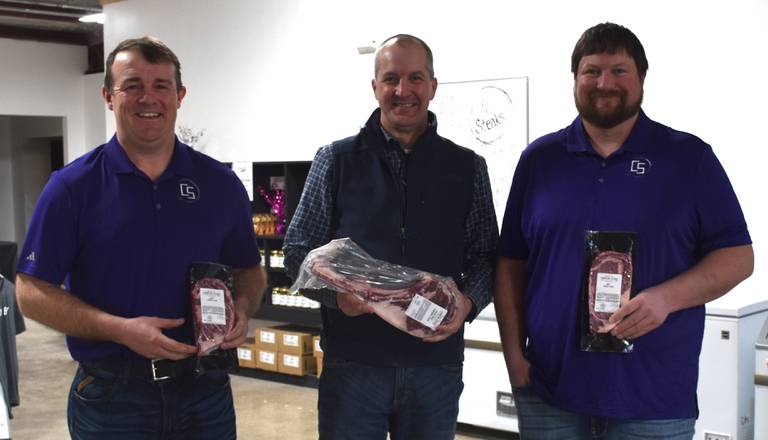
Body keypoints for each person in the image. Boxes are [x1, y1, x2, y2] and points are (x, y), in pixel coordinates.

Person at [494, 22, 754, 439]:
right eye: (591, 71)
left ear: (642, 79)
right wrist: (513, 357)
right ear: (575, 79)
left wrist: (666, 298)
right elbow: (511, 264)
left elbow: (738, 258)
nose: (604, 82)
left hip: (652, 398)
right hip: (550, 391)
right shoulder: (539, 160)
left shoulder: (689, 159)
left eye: (619, 70)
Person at [15, 36, 266, 439]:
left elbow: (248, 268)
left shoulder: (220, 184)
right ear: (108, 97)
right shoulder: (71, 188)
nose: (147, 98)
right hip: (113, 395)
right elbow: (29, 290)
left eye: (160, 86)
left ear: (179, 95)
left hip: (206, 390)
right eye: (132, 85)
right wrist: (116, 328)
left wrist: (242, 305)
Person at [283, 34, 498, 439]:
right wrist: (337, 298)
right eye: (391, 78)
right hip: (354, 365)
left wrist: (467, 304)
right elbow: (298, 251)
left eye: (415, 78)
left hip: (435, 366)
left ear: (433, 86)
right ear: (375, 87)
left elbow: (486, 254)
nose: (403, 91)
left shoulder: (467, 166)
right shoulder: (336, 160)